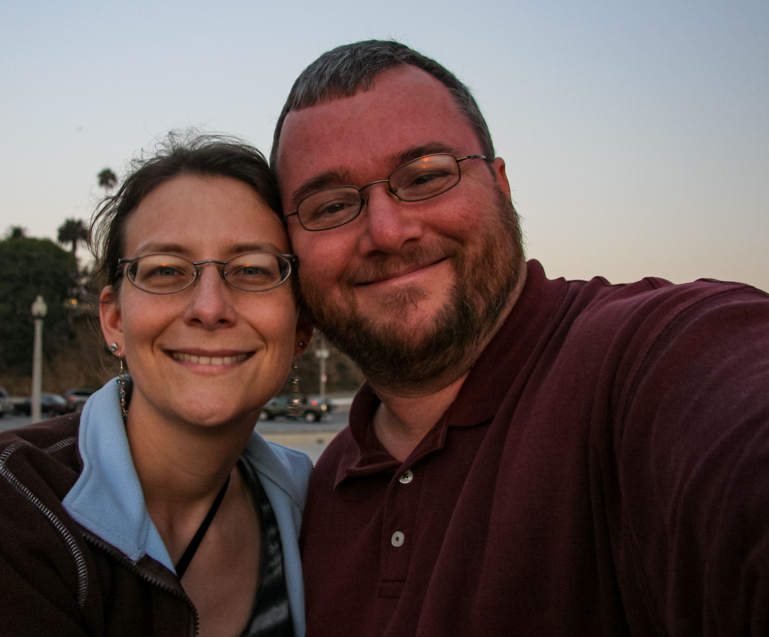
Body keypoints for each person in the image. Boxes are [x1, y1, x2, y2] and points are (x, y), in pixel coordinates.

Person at [270, 40, 769, 635]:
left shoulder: (642, 356)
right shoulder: (312, 500)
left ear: (501, 185)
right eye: (330, 207)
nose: (387, 230)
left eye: (426, 176)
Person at [0, 133, 314, 637]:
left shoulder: (312, 502)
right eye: (165, 271)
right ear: (115, 319)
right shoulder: (3, 498)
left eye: (252, 269)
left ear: (301, 326)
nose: (209, 308)